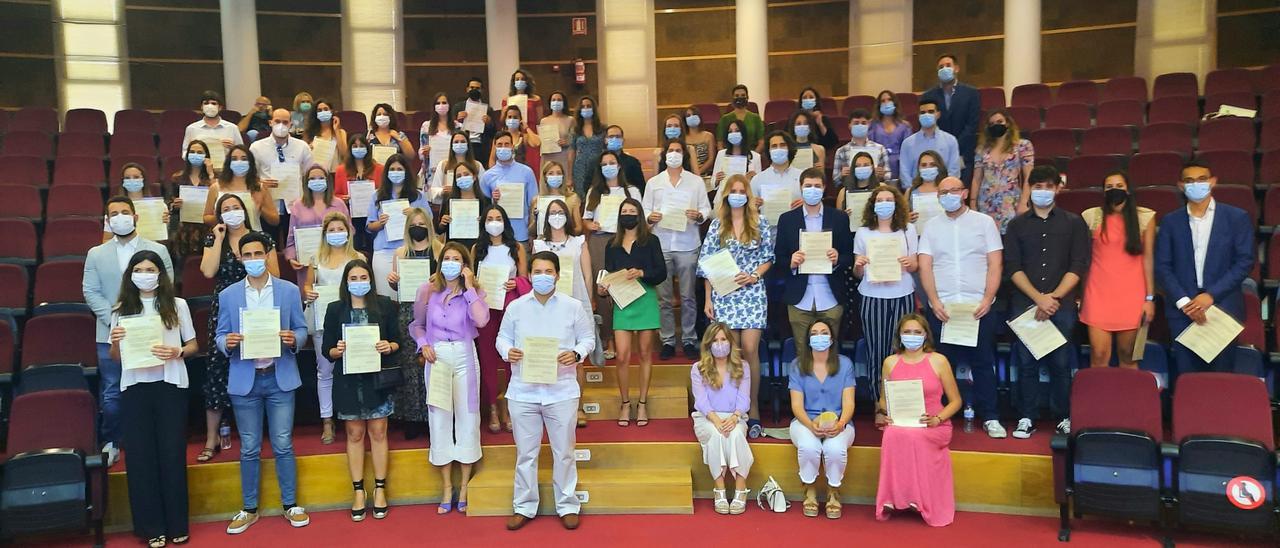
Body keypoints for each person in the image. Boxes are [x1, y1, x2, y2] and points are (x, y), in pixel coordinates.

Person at [214, 232, 310, 534]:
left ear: (268, 255)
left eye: (259, 254)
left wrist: (295, 338)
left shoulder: (288, 291)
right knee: (249, 448)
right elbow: (219, 336)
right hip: (246, 378)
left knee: (283, 443)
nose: (254, 260)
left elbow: (301, 328)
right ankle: (249, 508)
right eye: (248, 255)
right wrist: (226, 343)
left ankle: (291, 504)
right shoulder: (228, 295)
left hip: (279, 375)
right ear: (240, 258)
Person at [498, 251, 596, 531]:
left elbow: (588, 338)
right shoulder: (516, 307)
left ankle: (567, 504)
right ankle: (524, 506)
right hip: (523, 391)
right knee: (526, 453)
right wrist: (508, 351)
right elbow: (501, 338)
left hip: (561, 391)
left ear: (557, 275)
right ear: (529, 275)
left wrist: (576, 354)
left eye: (548, 272)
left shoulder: (573, 306)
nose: (542, 276)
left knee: (564, 451)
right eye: (537, 271)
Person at [109, 250, 196, 547]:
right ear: (131, 275)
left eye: (150, 268)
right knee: (141, 456)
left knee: (171, 454)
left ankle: (177, 523)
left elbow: (194, 344)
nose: (145, 274)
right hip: (135, 385)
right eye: (139, 269)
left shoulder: (178, 305)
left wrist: (178, 352)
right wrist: (117, 343)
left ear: (160, 273)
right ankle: (151, 527)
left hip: (170, 383)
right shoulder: (121, 309)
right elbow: (113, 357)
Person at [84, 196, 176, 467]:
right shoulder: (96, 253)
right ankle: (112, 440)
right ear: (107, 220)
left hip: (151, 331)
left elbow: (168, 285)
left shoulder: (156, 250)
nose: (120, 217)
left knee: (151, 389)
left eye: (125, 212)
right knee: (112, 393)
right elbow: (90, 291)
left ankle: (149, 440)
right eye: (114, 213)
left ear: (136, 217)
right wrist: (115, 318)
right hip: (110, 334)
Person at [1005, 166, 1090, 439]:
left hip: (1060, 306)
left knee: (1061, 364)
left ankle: (1063, 416)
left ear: (1058, 188)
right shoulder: (1016, 225)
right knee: (1026, 363)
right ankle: (1026, 416)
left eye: (1048, 186)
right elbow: (1013, 267)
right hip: (1025, 305)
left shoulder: (1074, 223)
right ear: (1029, 189)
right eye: (1037, 186)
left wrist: (1053, 298)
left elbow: (1078, 265)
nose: (1042, 191)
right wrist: (1038, 298)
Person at [918, 176, 1006, 438]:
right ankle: (940, 416)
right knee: (941, 364)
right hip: (943, 308)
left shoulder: (984, 222)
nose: (948, 195)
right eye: (943, 192)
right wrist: (933, 302)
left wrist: (987, 299)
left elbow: (995, 263)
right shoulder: (931, 226)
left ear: (965, 193)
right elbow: (925, 266)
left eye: (953, 190)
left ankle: (990, 417)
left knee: (983, 363)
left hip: (977, 306)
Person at [409, 242, 490, 514]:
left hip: (466, 355)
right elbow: (416, 325)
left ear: (465, 264)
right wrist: (424, 344)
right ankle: (446, 487)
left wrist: (469, 288)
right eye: (448, 258)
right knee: (440, 417)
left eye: (457, 259)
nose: (451, 263)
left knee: (468, 416)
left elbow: (481, 321)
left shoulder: (474, 291)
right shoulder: (427, 290)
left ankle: (465, 486)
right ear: (440, 261)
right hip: (438, 357)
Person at [200, 194, 281, 462]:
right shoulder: (215, 239)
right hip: (225, 310)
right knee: (216, 372)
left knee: (259, 366)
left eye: (236, 208)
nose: (232, 212)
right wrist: (219, 238)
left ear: (244, 211)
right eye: (226, 209)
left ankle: (265, 433)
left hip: (260, 308)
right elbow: (208, 272)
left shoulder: (260, 238)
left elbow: (277, 276)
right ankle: (212, 438)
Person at [1155, 160, 1255, 373]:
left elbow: (1245, 261)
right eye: (1189, 181)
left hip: (1222, 309)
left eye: (1202, 179)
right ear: (1181, 186)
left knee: (1221, 380)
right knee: (1187, 380)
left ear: (1213, 182)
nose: (1196, 185)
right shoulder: (1170, 221)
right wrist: (1186, 304)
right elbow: (1163, 266)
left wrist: (1210, 296)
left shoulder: (1236, 217)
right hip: (1182, 312)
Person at [321, 259, 401, 521]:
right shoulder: (335, 310)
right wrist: (338, 350)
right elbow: (327, 351)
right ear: (346, 282)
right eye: (353, 278)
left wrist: (388, 347)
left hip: (377, 379)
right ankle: (358, 491)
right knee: (354, 434)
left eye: (363, 277)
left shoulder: (385, 305)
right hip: (349, 381)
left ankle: (380, 489)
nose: (358, 283)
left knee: (378, 431)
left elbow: (397, 341)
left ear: (371, 279)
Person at [874, 313, 961, 527]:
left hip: (933, 423)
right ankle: (893, 499)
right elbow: (883, 401)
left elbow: (956, 401)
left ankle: (918, 499)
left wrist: (937, 419)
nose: (911, 336)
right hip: (902, 421)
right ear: (899, 336)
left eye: (916, 332)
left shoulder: (939, 361)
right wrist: (881, 414)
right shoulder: (890, 362)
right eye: (907, 332)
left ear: (925, 335)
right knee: (893, 434)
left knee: (915, 437)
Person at [699, 175, 773, 423]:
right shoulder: (717, 225)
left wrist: (754, 275)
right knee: (732, 351)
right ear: (726, 195)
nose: (738, 194)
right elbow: (706, 264)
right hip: (725, 294)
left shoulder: (760, 222)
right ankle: (732, 408)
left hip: (752, 293)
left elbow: (768, 258)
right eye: (734, 190)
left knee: (751, 350)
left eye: (743, 191)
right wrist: (708, 299)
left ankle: (752, 408)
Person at [644, 139, 712, 360]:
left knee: (688, 296)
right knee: (663, 298)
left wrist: (699, 215)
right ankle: (668, 340)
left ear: (684, 154)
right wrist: (649, 217)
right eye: (670, 151)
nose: (674, 154)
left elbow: (706, 208)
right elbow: (645, 210)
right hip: (661, 243)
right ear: (664, 155)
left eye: (678, 150)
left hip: (687, 244)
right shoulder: (654, 182)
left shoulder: (695, 182)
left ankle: (690, 339)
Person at [600, 198, 666, 427]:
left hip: (645, 299)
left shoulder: (652, 241)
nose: (628, 214)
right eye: (624, 211)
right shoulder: (612, 244)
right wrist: (603, 288)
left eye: (632, 211)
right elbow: (608, 275)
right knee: (622, 356)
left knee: (646, 354)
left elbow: (661, 273)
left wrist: (642, 272)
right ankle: (625, 402)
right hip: (623, 303)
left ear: (639, 214)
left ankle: (643, 403)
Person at [1080, 172, 1156, 369]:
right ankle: (1100, 399)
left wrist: (1149, 299)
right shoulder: (1091, 216)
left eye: (1119, 185)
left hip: (1132, 296)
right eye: (1109, 186)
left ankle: (1128, 400)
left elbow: (1148, 260)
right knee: (1098, 355)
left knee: (1128, 356)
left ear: (1128, 189)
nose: (1114, 189)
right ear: (1103, 191)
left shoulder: (1145, 217)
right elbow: (1084, 259)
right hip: (1098, 294)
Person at [301, 212, 365, 444]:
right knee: (325, 371)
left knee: (356, 367)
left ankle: (358, 415)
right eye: (332, 230)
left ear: (348, 232)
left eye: (341, 229)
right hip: (322, 321)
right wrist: (307, 291)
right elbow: (308, 285)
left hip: (352, 319)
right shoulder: (316, 259)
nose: (337, 234)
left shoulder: (357, 257)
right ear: (325, 234)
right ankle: (327, 420)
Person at [774, 168, 853, 357]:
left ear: (824, 188)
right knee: (803, 355)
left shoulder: (839, 218)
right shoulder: (787, 219)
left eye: (817, 186)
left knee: (831, 354)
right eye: (808, 186)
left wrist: (837, 259)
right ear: (800, 188)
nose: (812, 190)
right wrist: (791, 262)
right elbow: (779, 257)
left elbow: (849, 255)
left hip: (831, 296)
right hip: (799, 298)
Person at [852, 184, 919, 400]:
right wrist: (859, 264)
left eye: (888, 200)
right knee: (876, 352)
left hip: (902, 294)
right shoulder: (863, 232)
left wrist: (909, 262)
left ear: (897, 203)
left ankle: (902, 402)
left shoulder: (908, 229)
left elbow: (916, 265)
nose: (884, 204)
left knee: (902, 349)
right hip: (873, 296)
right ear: (872, 205)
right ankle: (879, 402)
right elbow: (857, 273)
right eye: (879, 200)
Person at [533, 198, 594, 426]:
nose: (557, 216)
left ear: (568, 216)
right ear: (546, 217)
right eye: (553, 212)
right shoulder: (539, 245)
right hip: (547, 308)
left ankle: (577, 407)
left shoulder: (579, 242)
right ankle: (549, 404)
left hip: (575, 304)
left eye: (561, 212)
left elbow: (587, 275)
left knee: (576, 359)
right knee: (550, 353)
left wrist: (589, 302)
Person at [787, 319, 856, 519]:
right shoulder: (797, 365)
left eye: (824, 332)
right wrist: (810, 425)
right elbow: (796, 406)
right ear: (808, 340)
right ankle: (809, 489)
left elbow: (849, 403)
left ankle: (833, 491)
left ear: (832, 338)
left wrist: (841, 423)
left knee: (834, 448)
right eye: (814, 333)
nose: (819, 337)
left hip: (840, 422)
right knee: (810, 446)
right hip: (805, 421)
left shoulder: (845, 364)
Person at [474, 205, 529, 432]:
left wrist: (516, 283)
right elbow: (472, 281)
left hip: (509, 309)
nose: (494, 222)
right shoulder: (478, 248)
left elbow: (526, 280)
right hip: (486, 311)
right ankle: (492, 408)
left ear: (505, 222)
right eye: (490, 218)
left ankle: (508, 406)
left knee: (510, 360)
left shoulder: (516, 248)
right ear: (483, 223)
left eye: (498, 218)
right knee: (486, 359)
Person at [387, 207, 441, 439]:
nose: (417, 227)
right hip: (409, 312)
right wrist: (393, 281)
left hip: (435, 312)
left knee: (432, 362)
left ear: (428, 224)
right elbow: (396, 289)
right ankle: (411, 418)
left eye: (421, 223)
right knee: (410, 364)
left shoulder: (439, 250)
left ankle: (433, 417)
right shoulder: (400, 253)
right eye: (413, 224)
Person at [584, 151, 644, 360]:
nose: (608, 166)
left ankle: (627, 337)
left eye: (612, 163)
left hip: (626, 240)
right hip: (600, 242)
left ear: (619, 166)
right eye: (604, 164)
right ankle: (608, 338)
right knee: (604, 288)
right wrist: (590, 225)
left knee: (624, 285)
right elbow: (586, 220)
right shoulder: (594, 191)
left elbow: (641, 219)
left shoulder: (633, 191)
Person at [690, 322, 754, 515]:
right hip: (706, 418)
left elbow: (744, 398)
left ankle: (741, 488)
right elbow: (700, 400)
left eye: (723, 339)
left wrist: (735, 417)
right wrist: (716, 420)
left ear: (730, 342)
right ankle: (719, 489)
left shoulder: (742, 366)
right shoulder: (698, 368)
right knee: (717, 435)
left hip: (735, 416)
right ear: (708, 344)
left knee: (735, 435)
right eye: (715, 340)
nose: (720, 344)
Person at [366, 154, 429, 297]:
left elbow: (429, 223)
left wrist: (416, 213)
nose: (396, 172)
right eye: (392, 169)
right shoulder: (377, 195)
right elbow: (369, 226)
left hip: (412, 251)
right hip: (384, 252)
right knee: (386, 297)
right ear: (386, 172)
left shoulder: (418, 196)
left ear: (406, 171)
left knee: (412, 295)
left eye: (399, 169)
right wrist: (380, 223)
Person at [970, 108, 1034, 233]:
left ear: (1008, 123)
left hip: (1011, 201)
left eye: (1000, 121)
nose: (996, 126)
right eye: (992, 124)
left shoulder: (1023, 146)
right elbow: (976, 179)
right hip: (986, 203)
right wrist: (973, 204)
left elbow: (1029, 177)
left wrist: (1024, 202)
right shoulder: (982, 149)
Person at [249, 108, 314, 230]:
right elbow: (249, 177)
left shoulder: (302, 147)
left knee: (293, 244)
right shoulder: (256, 147)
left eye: (285, 122)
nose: (281, 125)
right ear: (270, 123)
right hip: (269, 205)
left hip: (295, 204)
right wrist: (261, 183)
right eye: (277, 121)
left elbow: (310, 174)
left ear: (291, 124)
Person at [921, 54, 981, 183]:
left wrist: (953, 146)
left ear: (957, 68)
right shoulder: (928, 96)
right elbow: (928, 124)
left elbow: (972, 124)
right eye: (941, 67)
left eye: (948, 65)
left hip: (963, 153)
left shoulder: (971, 93)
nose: (944, 69)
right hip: (936, 154)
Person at [285, 165, 350, 274]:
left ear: (327, 180)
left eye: (321, 178)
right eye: (312, 179)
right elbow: (291, 237)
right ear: (306, 182)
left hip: (335, 262)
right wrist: (291, 258)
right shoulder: (298, 205)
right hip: (307, 263)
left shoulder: (339, 204)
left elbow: (350, 231)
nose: (317, 181)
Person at [479, 131, 540, 244]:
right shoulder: (487, 176)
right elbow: (485, 205)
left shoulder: (527, 172)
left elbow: (534, 204)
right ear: (495, 148)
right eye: (499, 145)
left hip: (522, 233)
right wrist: (494, 200)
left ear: (512, 146)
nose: (503, 147)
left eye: (506, 144)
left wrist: (532, 233)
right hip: (497, 235)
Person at [203, 145, 280, 232]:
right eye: (234, 159)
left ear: (250, 163)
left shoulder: (259, 187)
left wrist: (260, 206)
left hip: (253, 238)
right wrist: (220, 216)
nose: (239, 162)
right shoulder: (216, 187)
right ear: (229, 163)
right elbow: (206, 218)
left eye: (244, 159)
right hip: (224, 238)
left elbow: (275, 220)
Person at [724, 130, 800, 210]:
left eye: (782, 145)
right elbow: (749, 210)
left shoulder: (801, 176)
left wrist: (805, 204)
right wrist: (753, 205)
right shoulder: (758, 179)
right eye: (774, 146)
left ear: (789, 148)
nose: (778, 149)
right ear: (768, 151)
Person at [334, 133, 383, 252]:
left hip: (372, 216)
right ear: (350, 149)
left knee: (372, 248)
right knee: (354, 248)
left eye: (361, 146)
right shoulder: (341, 170)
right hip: (351, 216)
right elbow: (336, 195)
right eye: (355, 146)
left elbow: (383, 192)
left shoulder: (379, 168)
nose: (358, 149)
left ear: (367, 148)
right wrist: (343, 198)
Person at [897, 98, 961, 186]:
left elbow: (954, 171)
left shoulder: (950, 141)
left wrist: (945, 190)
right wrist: (913, 191)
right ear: (918, 116)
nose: (926, 115)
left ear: (938, 114)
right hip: (916, 194)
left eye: (931, 111)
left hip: (943, 193)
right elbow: (904, 172)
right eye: (923, 112)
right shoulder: (907, 143)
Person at [168, 143, 215, 257]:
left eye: (200, 152)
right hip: (184, 230)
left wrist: (211, 173)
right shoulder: (177, 178)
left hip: (208, 228)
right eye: (192, 152)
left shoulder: (213, 178)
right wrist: (175, 205)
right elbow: (169, 202)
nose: (195, 155)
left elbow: (221, 198)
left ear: (206, 156)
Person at [436, 162, 490, 251]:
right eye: (459, 176)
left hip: (478, 248)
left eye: (466, 174)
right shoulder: (449, 201)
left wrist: (485, 222)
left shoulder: (485, 201)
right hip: (455, 249)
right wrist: (442, 223)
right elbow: (439, 230)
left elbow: (490, 229)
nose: (463, 178)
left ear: (474, 176)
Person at [427, 130, 486, 207]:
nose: (459, 144)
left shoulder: (477, 165)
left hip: (473, 204)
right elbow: (434, 189)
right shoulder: (443, 165)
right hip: (449, 205)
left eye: (462, 141)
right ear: (451, 145)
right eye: (456, 142)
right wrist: (442, 191)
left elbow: (484, 189)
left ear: (468, 144)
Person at [832, 109, 891, 183]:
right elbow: (835, 180)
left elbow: (888, 175)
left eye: (863, 123)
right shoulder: (841, 151)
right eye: (856, 123)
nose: (860, 125)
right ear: (849, 126)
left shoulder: (880, 148)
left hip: (875, 189)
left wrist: (883, 175)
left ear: (868, 125)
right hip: (851, 190)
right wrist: (841, 175)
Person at [868, 90, 913, 183]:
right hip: (879, 168)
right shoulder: (872, 125)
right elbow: (870, 147)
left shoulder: (905, 126)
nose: (886, 103)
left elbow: (908, 150)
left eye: (889, 100)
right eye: (883, 101)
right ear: (879, 105)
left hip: (900, 166)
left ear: (894, 103)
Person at [529, 160, 581, 239]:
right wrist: (536, 219)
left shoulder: (572, 198)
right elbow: (531, 231)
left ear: (563, 176)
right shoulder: (537, 200)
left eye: (559, 173)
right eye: (551, 173)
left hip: (565, 242)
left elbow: (579, 228)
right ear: (545, 177)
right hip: (543, 243)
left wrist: (564, 233)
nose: (555, 176)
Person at [181, 90, 242, 156]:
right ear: (201, 107)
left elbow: (242, 153)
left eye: (213, 103)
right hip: (201, 165)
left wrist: (233, 148)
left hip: (225, 165)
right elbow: (185, 153)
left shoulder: (232, 128)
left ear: (220, 107)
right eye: (206, 103)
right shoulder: (192, 128)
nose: (209, 106)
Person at [710, 119, 762, 196]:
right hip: (723, 196)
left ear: (743, 133)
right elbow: (713, 183)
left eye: (737, 130)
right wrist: (717, 180)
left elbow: (759, 185)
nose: (733, 134)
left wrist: (754, 178)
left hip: (746, 196)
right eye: (730, 131)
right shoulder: (721, 154)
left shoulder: (755, 157)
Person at [567, 95, 605, 195]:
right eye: (583, 107)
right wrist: (569, 177)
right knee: (581, 197)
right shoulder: (575, 130)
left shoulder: (602, 128)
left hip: (597, 167)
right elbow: (571, 153)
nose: (586, 108)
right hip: (580, 168)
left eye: (588, 106)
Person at [489, 104, 542, 174]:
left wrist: (527, 128)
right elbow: (492, 160)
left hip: (519, 174)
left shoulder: (524, 137)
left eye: (515, 117)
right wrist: (494, 174)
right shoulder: (499, 137)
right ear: (505, 119)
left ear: (520, 120)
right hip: (502, 174)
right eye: (509, 117)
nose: (512, 119)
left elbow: (537, 143)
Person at [417, 92, 454, 190]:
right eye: (438, 103)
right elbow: (420, 154)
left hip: (451, 170)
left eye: (444, 102)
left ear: (449, 105)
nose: (441, 105)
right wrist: (424, 151)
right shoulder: (426, 126)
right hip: (431, 171)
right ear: (434, 106)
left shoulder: (458, 126)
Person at [715, 84, 765, 153]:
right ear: (732, 98)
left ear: (747, 97)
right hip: (730, 157)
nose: (740, 98)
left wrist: (752, 157)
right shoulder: (725, 119)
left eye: (743, 95)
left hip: (752, 155)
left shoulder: (756, 118)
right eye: (737, 96)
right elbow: (720, 145)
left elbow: (761, 143)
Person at [303, 98, 348, 173]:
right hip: (315, 173)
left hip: (334, 172)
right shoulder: (309, 133)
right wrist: (308, 148)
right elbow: (302, 155)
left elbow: (345, 154)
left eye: (326, 109)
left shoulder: (340, 132)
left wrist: (336, 130)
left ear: (331, 111)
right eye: (319, 110)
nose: (323, 112)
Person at [603, 125, 650, 195]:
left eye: (618, 137)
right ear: (605, 140)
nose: (614, 139)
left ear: (623, 140)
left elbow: (640, 188)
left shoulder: (633, 162)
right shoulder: (595, 162)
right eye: (611, 136)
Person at [539, 91, 574, 176]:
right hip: (547, 157)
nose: (556, 102)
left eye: (559, 100)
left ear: (564, 103)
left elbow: (574, 140)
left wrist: (567, 142)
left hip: (563, 157)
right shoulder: (544, 121)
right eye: (553, 100)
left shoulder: (570, 120)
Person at [683, 105, 717, 179]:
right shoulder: (682, 138)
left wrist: (697, 173)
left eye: (694, 114)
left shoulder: (709, 136)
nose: (691, 117)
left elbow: (711, 159)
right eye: (688, 115)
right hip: (686, 175)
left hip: (705, 175)